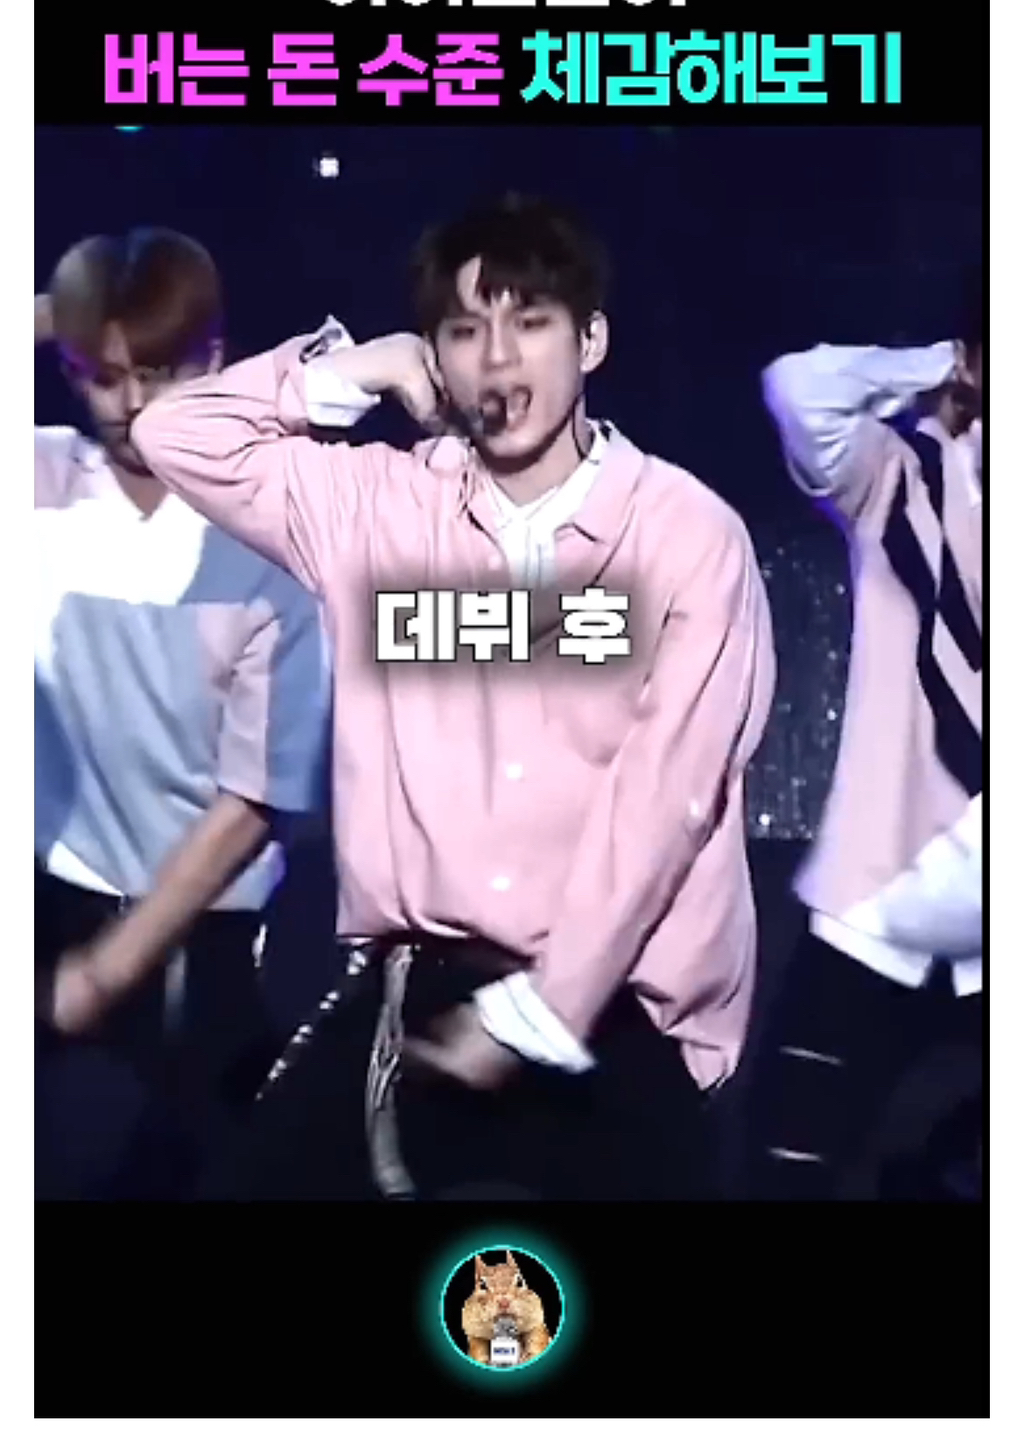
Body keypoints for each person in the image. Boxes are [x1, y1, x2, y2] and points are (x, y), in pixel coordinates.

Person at [132, 194, 776, 1202]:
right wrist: (355, 368)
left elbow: (671, 795)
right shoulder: (377, 508)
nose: (498, 360)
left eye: (531, 324)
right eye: (464, 331)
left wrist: (546, 1007)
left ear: (591, 341)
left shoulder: (685, 535)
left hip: (618, 1002)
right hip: (419, 984)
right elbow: (174, 432)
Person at [35, 229, 331, 1198]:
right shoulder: (38, 480)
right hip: (51, 904)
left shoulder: (274, 526)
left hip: (212, 937)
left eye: (156, 373)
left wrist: (109, 970)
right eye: (101, 375)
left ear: (214, 360)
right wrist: (61, 313)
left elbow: (255, 800)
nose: (128, 404)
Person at [747, 310, 983, 1199]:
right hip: (880, 908)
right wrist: (943, 363)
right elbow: (800, 388)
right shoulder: (899, 474)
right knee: (784, 1168)